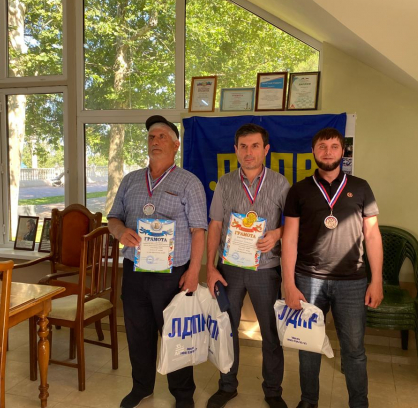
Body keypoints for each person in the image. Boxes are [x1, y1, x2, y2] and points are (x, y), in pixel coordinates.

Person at [107, 115, 208, 408]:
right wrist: (120, 231)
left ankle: (183, 394)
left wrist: (194, 272)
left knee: (176, 335)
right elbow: (113, 218)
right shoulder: (131, 180)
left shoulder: (189, 182)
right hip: (135, 271)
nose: (155, 141)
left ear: (176, 145)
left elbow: (199, 230)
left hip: (172, 275)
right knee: (138, 334)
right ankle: (141, 387)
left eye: (162, 137)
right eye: (151, 137)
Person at [282, 127, 383, 408]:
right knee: (308, 347)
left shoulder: (361, 187)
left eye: (334, 146)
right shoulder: (299, 190)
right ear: (313, 151)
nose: (328, 152)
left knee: (354, 350)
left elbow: (372, 235)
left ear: (343, 151)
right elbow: (289, 239)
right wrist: (289, 284)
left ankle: (359, 403)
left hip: (352, 282)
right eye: (322, 147)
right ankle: (308, 401)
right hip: (308, 279)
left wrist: (376, 280)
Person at [206, 124, 291, 408]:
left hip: (265, 269)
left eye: (255, 146)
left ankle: (273, 391)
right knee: (226, 328)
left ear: (266, 149)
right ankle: (227, 385)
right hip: (229, 268)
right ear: (235, 150)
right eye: (243, 146)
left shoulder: (280, 183)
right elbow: (215, 224)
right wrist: (210, 267)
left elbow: (294, 224)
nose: (248, 152)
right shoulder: (225, 183)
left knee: (270, 332)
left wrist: (277, 234)